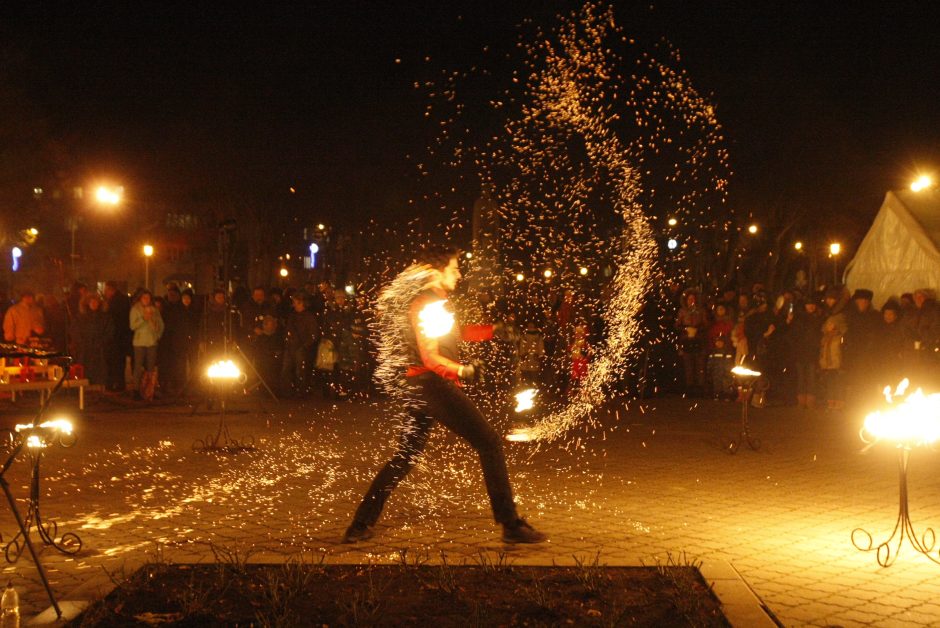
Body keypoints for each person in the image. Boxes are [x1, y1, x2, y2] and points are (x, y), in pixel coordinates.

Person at [344, 245, 546, 545]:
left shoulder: (436, 302)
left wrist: (492, 330)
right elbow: (430, 357)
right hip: (432, 386)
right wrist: (462, 371)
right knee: (489, 442)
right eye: (454, 268)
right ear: (437, 272)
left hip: (420, 387)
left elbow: (455, 332)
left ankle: (360, 525)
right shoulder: (426, 305)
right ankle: (510, 523)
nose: (459, 273)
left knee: (406, 456)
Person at [130, 290, 164, 401]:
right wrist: (144, 319)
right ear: (140, 298)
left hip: (152, 342)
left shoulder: (155, 310)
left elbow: (161, 324)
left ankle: (150, 390)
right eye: (144, 298)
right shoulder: (135, 310)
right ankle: (136, 390)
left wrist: (157, 335)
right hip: (139, 342)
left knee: (151, 367)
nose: (146, 300)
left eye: (148, 298)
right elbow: (132, 326)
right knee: (138, 367)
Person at [73, 292, 113, 386]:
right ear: (87, 303)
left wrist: (102, 343)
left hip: (100, 350)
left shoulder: (105, 317)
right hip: (85, 350)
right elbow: (75, 331)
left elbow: (109, 331)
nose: (94, 304)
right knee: (85, 370)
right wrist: (82, 343)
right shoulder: (80, 318)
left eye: (96, 302)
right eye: (92, 302)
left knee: (100, 371)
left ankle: (99, 388)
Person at [104, 282, 132, 392]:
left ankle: (115, 383)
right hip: (122, 336)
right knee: (120, 362)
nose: (105, 293)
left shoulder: (115, 302)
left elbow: (115, 318)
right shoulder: (124, 300)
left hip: (117, 336)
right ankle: (120, 383)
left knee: (115, 361)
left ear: (111, 290)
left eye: (107, 290)